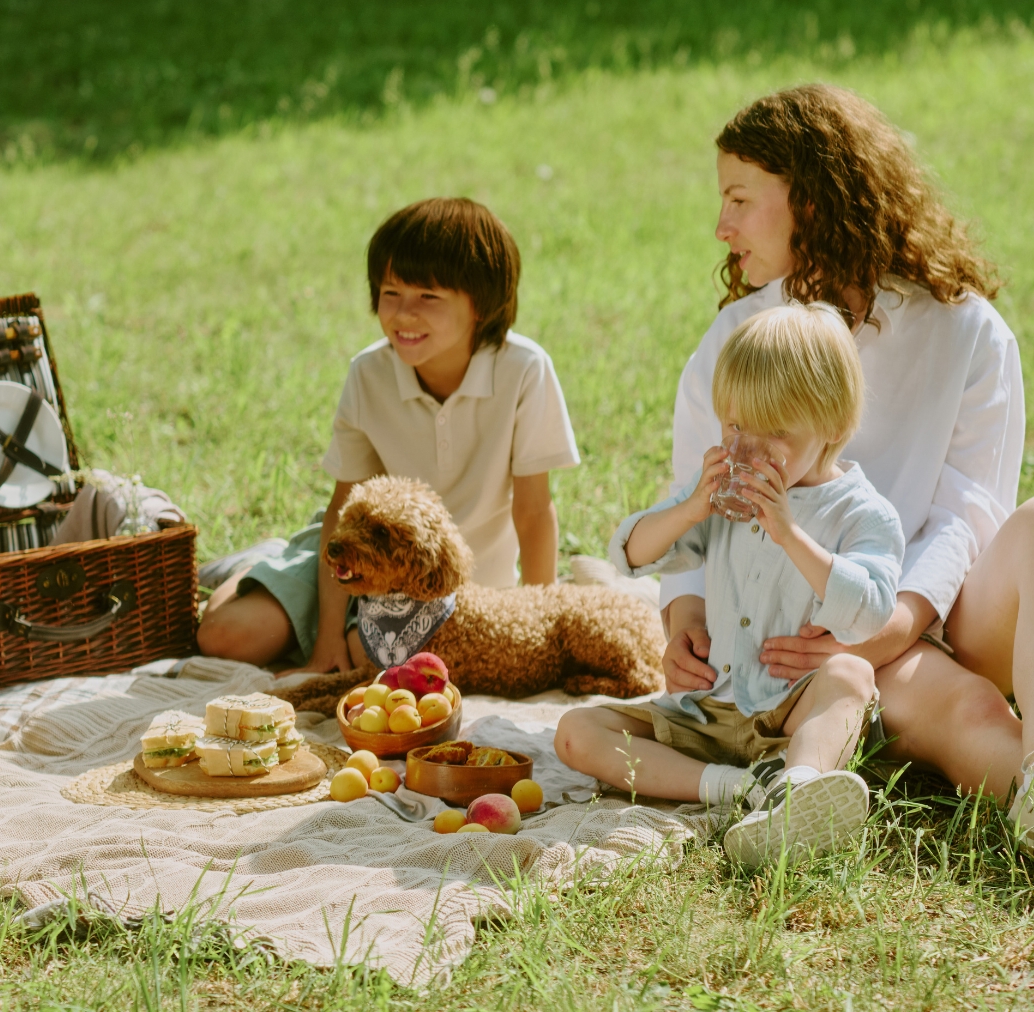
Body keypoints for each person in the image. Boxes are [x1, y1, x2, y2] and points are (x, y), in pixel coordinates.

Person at [662, 84, 1031, 852]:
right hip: (793, 640)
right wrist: (685, 616)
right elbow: (693, 496)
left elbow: (971, 513)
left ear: (816, 199)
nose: (721, 226)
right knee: (968, 716)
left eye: (739, 199)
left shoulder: (967, 332)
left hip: (936, 609)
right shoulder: (741, 334)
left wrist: (896, 622)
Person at [556, 304, 901, 866]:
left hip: (789, 711)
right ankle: (740, 790)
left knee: (852, 674)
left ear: (833, 427)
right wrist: (691, 509)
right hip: (708, 710)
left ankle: (799, 786)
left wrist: (791, 535)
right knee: (575, 731)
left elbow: (870, 612)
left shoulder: (863, 514)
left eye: (776, 432)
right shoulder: (719, 493)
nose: (749, 449)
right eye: (736, 426)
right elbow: (631, 553)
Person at [197, 197, 580, 672]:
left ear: (480, 305)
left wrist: (538, 624)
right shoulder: (369, 373)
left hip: (455, 591)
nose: (403, 315)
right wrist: (327, 643)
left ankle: (292, 584)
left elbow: (533, 511)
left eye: (428, 298)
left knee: (376, 663)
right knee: (221, 637)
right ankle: (261, 564)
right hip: (359, 563)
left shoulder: (524, 370)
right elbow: (344, 506)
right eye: (390, 293)